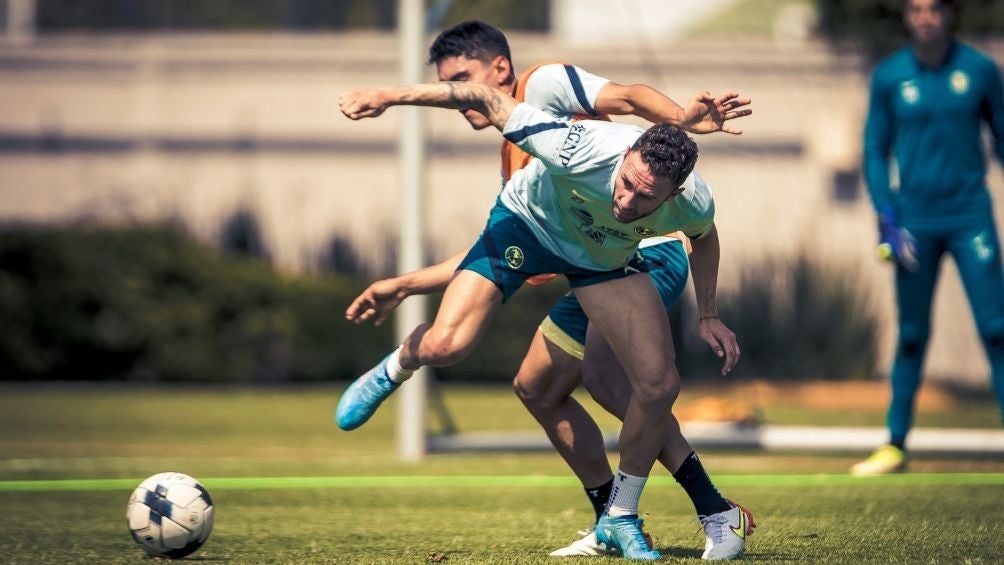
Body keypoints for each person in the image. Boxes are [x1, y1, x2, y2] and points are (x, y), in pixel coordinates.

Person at [340, 21, 755, 560]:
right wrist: (387, 97)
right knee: (485, 361)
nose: (627, 200)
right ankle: (400, 362)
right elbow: (484, 110)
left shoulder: (550, 90)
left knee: (647, 385)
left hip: (614, 258)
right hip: (538, 234)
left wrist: (709, 314)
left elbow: (632, 104)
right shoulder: (565, 147)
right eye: (626, 185)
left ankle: (637, 515)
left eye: (645, 196)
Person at [853, 0, 1004, 476]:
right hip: (914, 223)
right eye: (916, 8)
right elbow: (875, 149)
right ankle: (895, 444)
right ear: (906, 16)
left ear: (949, 14)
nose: (925, 17)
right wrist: (886, 214)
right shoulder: (890, 76)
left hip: (970, 217)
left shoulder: (980, 70)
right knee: (913, 335)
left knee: (997, 330)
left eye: (934, 8)